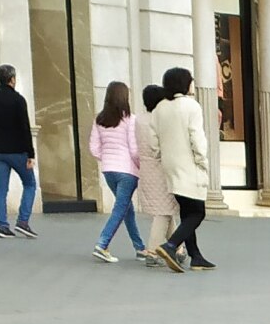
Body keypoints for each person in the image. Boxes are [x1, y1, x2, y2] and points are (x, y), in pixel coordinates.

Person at [149, 65, 214, 271]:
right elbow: (197, 138)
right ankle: (170, 245)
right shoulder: (191, 106)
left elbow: (153, 140)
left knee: (187, 211)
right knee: (198, 213)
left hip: (170, 166)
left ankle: (196, 256)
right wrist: (203, 161)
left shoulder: (160, 108)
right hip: (189, 166)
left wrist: (161, 155)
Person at [0, 64, 38, 237]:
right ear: (12, 79)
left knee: (0, 189)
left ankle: (2, 225)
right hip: (18, 151)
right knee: (30, 184)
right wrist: (30, 154)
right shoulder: (18, 100)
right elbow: (25, 128)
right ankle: (23, 221)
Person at [87, 81, 144, 262]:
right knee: (120, 208)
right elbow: (134, 149)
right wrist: (140, 167)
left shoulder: (99, 120)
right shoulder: (130, 120)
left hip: (108, 170)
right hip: (127, 170)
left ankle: (139, 247)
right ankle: (102, 244)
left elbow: (94, 148)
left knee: (127, 209)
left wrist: (107, 159)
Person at [132, 83, 175, 265]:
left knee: (166, 209)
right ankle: (152, 251)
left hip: (145, 169)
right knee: (164, 211)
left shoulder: (139, 119)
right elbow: (162, 146)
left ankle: (177, 247)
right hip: (160, 169)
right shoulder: (159, 120)